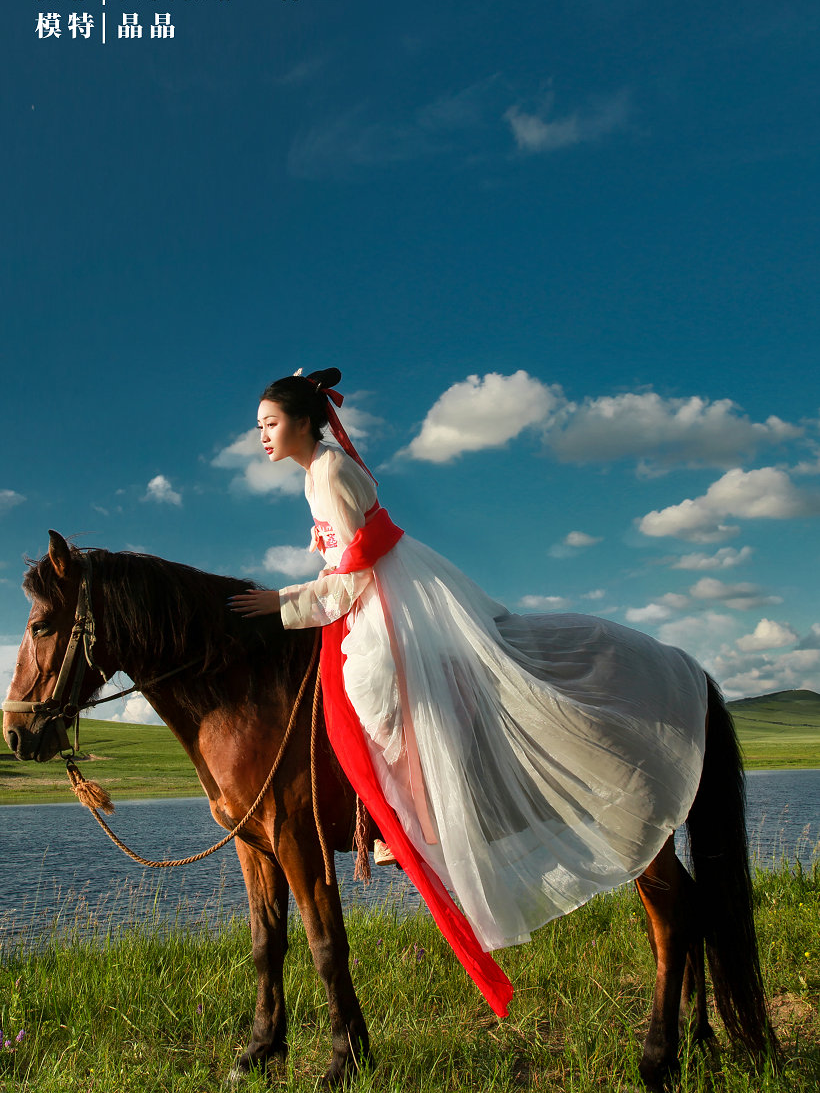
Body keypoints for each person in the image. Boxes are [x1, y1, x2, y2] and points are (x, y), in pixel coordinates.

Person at [229, 367, 708, 1016]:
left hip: (384, 596)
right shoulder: (315, 472)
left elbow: (353, 576)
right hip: (371, 589)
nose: (262, 435)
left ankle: (401, 817)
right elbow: (342, 557)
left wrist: (282, 602)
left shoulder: (331, 470)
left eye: (270, 423)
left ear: (303, 421)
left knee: (371, 684)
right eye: (259, 426)